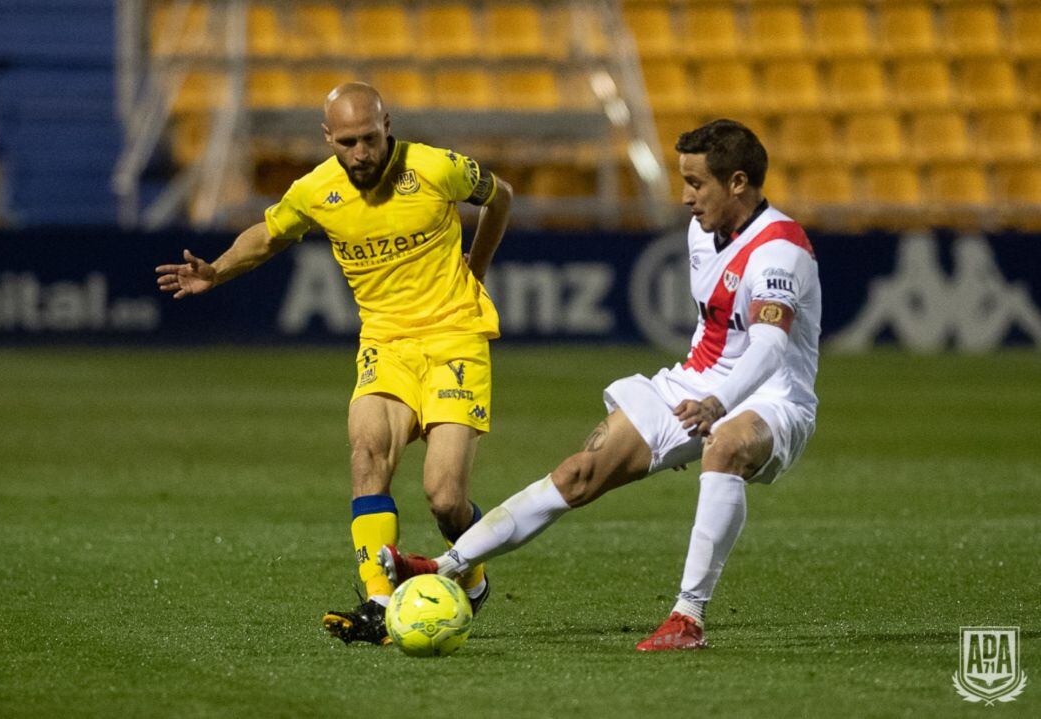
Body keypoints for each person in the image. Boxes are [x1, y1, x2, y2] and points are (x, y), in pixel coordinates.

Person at [381, 119, 820, 651]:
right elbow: (715, 330)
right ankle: (448, 563)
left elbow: (770, 348)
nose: (684, 198)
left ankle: (688, 617)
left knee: (725, 446)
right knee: (578, 472)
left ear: (738, 183)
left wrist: (718, 403)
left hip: (774, 396)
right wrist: (698, 394)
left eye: (697, 184)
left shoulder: (780, 248)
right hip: (694, 383)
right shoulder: (702, 231)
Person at [155, 82, 513, 646]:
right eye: (347, 142)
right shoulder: (316, 189)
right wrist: (216, 271)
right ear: (328, 138)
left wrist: (478, 268)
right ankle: (377, 599)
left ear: (387, 125)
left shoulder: (436, 168)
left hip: (455, 338)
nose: (361, 153)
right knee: (367, 451)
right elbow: (268, 235)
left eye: (370, 139)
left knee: (444, 499)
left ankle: (472, 571)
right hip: (385, 345)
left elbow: (501, 197)